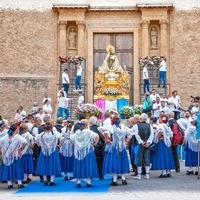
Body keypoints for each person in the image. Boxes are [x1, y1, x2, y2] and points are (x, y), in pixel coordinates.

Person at [103, 115, 132, 186]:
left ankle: (115, 180)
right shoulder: (124, 127)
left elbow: (104, 131)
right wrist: (126, 141)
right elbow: (130, 133)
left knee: (114, 163)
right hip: (122, 147)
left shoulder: (112, 127)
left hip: (114, 147)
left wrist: (107, 139)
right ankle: (123, 179)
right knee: (122, 162)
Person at [70, 119, 99, 188]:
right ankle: (88, 182)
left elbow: (71, 139)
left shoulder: (77, 132)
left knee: (79, 166)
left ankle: (78, 182)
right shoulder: (89, 132)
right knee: (88, 165)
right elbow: (96, 136)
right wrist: (95, 143)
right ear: (86, 125)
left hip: (78, 152)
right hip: (87, 151)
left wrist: (76, 145)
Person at [0, 124, 27, 189]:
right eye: (17, 129)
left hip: (7, 155)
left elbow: (0, 141)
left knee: (8, 169)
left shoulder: (6, 136)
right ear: (15, 130)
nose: (18, 130)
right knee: (18, 168)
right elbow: (25, 142)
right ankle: (19, 183)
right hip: (16, 155)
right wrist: (21, 148)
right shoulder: (17, 136)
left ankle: (9, 184)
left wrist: (2, 150)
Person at [35, 121, 62, 186]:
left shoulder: (41, 134)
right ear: (51, 127)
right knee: (53, 164)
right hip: (53, 151)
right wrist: (59, 145)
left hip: (44, 151)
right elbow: (62, 138)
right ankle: (52, 180)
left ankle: (45, 180)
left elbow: (35, 140)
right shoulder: (55, 133)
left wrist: (40, 144)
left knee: (44, 164)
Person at [132, 113, 154, 180]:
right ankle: (147, 174)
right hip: (147, 144)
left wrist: (141, 142)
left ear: (140, 119)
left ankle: (139, 175)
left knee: (139, 158)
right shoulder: (149, 125)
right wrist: (148, 142)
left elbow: (136, 135)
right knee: (147, 158)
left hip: (140, 144)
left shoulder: (136, 126)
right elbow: (152, 135)